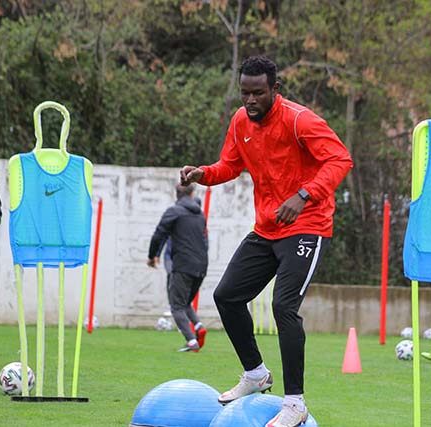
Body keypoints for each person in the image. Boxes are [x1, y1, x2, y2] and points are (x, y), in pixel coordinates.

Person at [180, 55, 352, 427]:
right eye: (245, 92)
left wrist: (303, 195)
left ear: (275, 88)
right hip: (267, 227)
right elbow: (230, 165)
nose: (250, 100)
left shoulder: (300, 120)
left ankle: (295, 403)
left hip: (307, 225)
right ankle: (256, 373)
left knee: (283, 306)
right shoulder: (241, 121)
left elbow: (340, 160)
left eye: (258, 92)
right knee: (227, 296)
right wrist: (202, 174)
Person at [147, 183, 208, 352]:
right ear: (192, 194)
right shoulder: (200, 215)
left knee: (176, 306)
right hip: (202, 265)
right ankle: (198, 325)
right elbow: (204, 241)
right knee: (186, 302)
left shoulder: (174, 212)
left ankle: (191, 341)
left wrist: (152, 256)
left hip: (183, 265)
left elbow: (159, 235)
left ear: (177, 194)